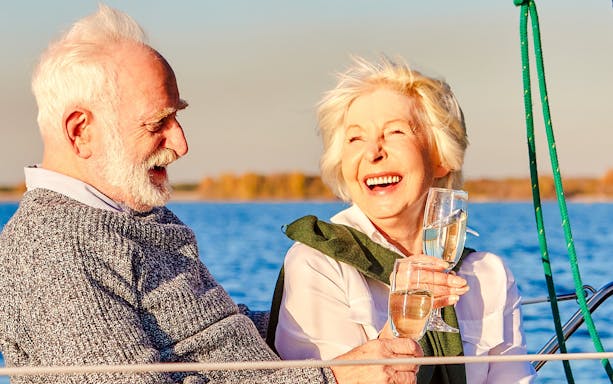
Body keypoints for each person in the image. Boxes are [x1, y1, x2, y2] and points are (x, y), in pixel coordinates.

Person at [0, 6, 422, 384]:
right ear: (81, 131)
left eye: (176, 118)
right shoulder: (51, 251)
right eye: (158, 123)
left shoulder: (130, 217)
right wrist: (332, 378)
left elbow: (223, 334)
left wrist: (363, 307)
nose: (181, 144)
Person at [272, 56, 537, 383]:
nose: (373, 152)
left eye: (395, 132)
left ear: (440, 157)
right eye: (355, 139)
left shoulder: (488, 275)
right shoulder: (318, 263)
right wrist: (403, 322)